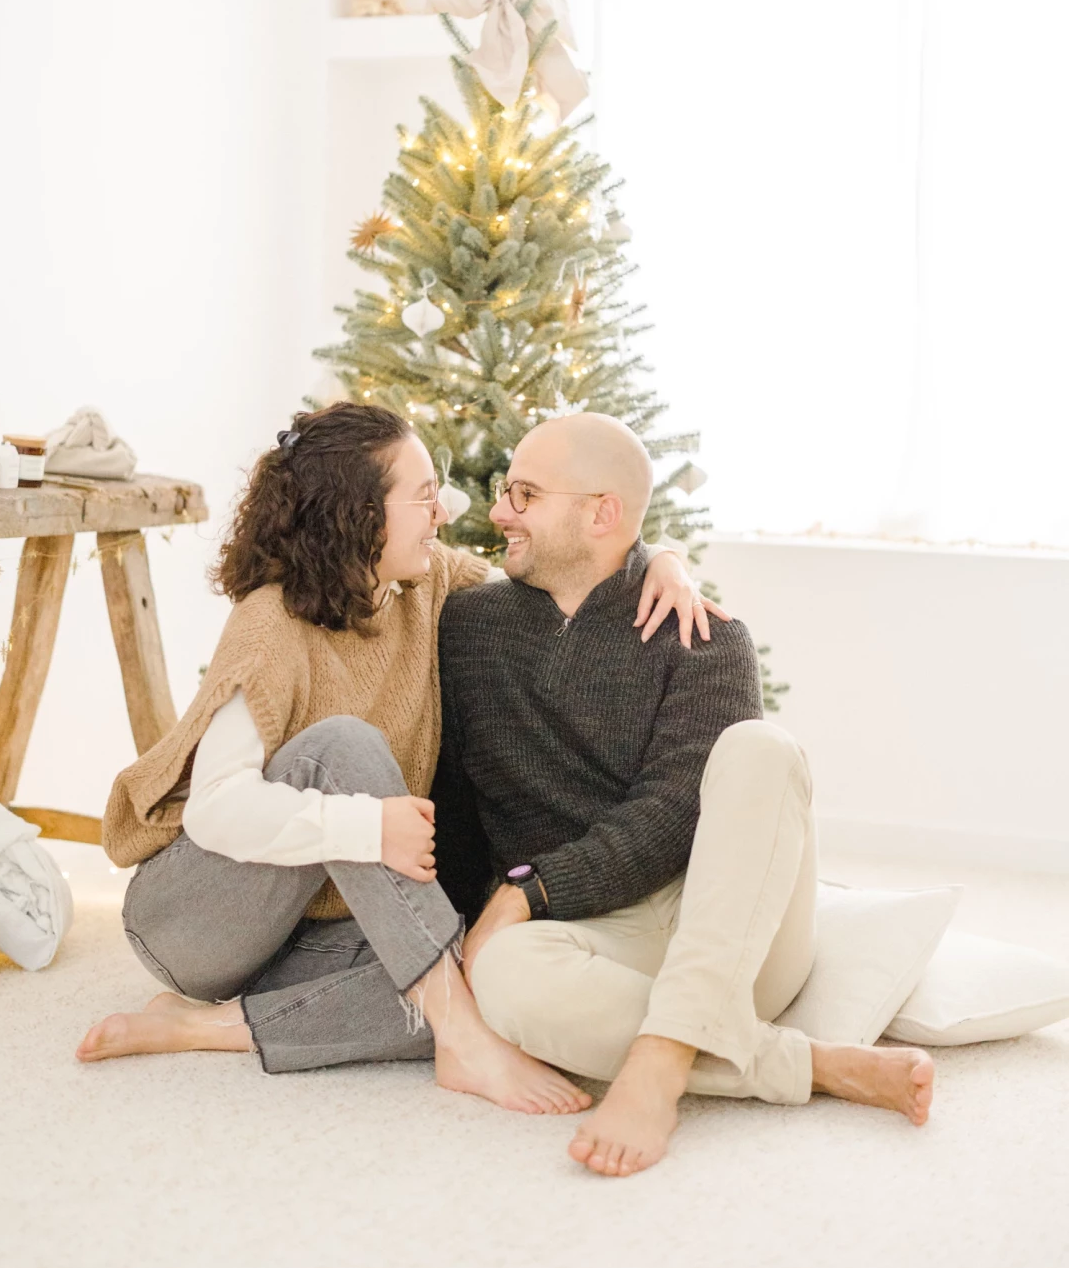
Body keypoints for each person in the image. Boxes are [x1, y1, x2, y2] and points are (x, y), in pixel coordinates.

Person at [75, 402, 713, 1115]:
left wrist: (661, 559)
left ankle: (203, 1029)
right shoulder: (270, 623)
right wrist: (367, 828)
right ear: (361, 515)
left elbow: (568, 571)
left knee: (474, 966)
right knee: (345, 749)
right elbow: (218, 809)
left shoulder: (424, 584)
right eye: (423, 496)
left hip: (308, 935)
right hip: (196, 921)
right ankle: (462, 1041)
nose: (443, 512)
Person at [433, 412, 936, 1174]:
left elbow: (674, 811)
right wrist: (476, 923)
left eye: (524, 494)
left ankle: (661, 1062)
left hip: (727, 930)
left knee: (761, 747)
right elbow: (456, 802)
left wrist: (530, 891)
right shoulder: (468, 626)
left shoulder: (706, 635)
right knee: (503, 974)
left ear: (601, 512)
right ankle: (810, 1064)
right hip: (592, 943)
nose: (500, 511)